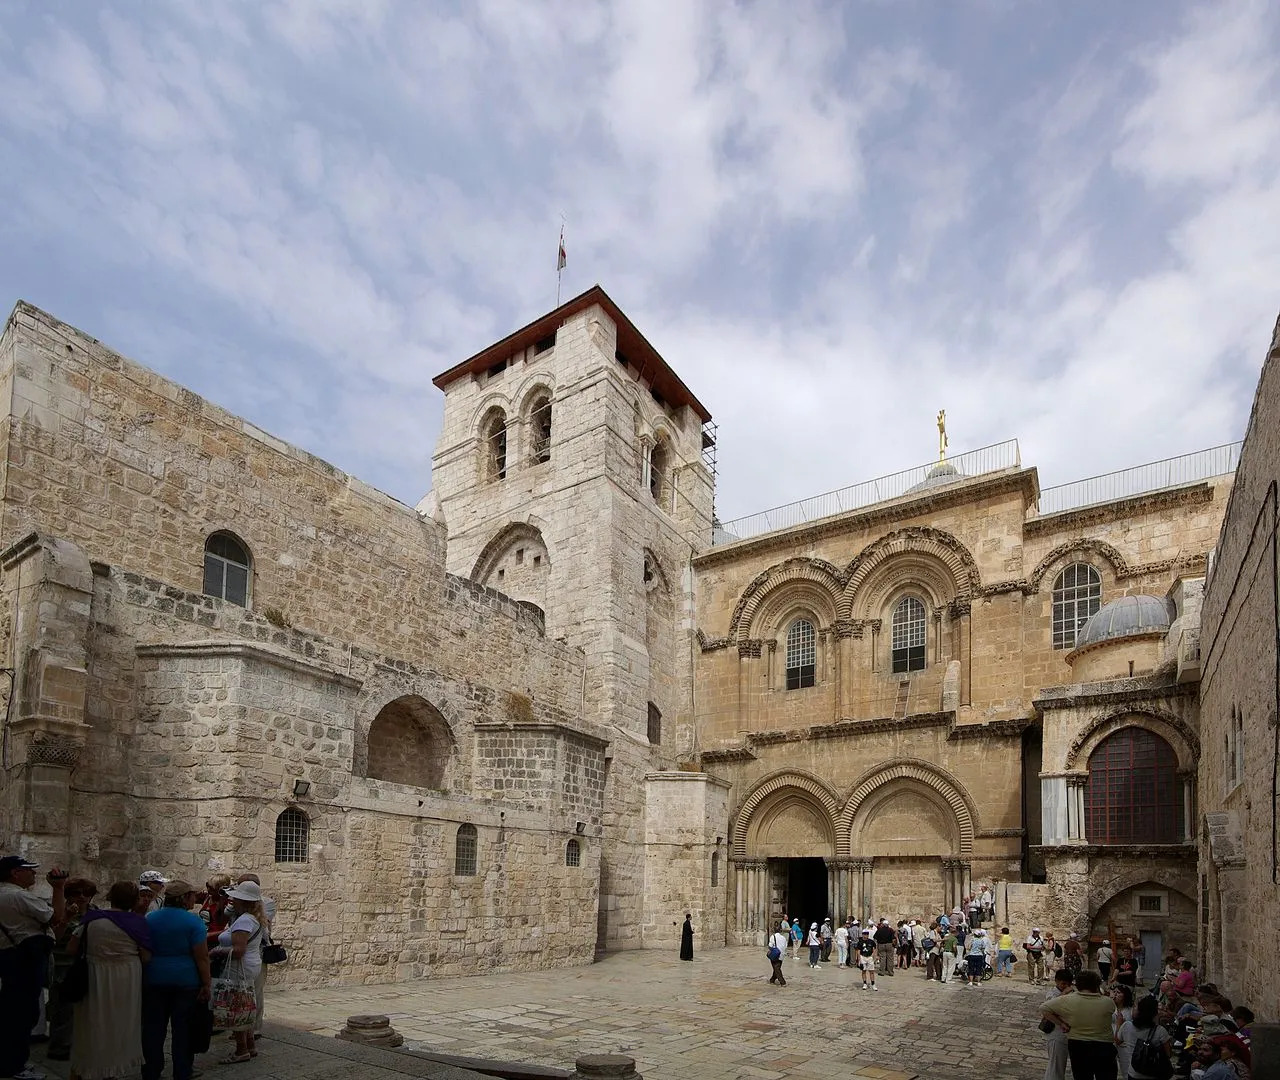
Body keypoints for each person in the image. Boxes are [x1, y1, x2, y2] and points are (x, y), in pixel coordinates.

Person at [69, 881, 152, 1080]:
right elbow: (147, 957)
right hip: (125, 977)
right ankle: (110, 1070)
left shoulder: (92, 918)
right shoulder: (137, 922)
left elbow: (71, 948)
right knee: (119, 1023)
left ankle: (82, 1069)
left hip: (94, 974)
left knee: (91, 1022)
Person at [0, 855, 68, 1080]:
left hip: (9, 956)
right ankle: (13, 1067)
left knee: (12, 1011)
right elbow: (56, 917)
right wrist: (58, 888)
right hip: (24, 959)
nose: (33, 873)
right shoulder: (19, 896)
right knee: (23, 1013)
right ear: (15, 873)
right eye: (28, 869)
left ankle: (13, 1061)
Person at [142, 881, 211, 1080]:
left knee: (154, 1029)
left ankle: (152, 1070)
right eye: (192, 895)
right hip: (185, 981)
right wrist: (206, 984)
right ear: (183, 898)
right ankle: (182, 1070)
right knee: (183, 1030)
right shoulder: (193, 922)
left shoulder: (150, 918)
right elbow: (202, 956)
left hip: (154, 978)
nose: (194, 899)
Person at [211, 880, 266, 1063]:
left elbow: (238, 950)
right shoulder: (253, 918)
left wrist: (215, 951)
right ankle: (250, 1045)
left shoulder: (244, 920)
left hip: (239, 968)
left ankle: (241, 1050)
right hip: (250, 966)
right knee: (245, 1005)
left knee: (236, 1008)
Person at [47, 878, 98, 1063]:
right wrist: (66, 919)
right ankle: (59, 1047)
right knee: (63, 1009)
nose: (82, 897)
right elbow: (54, 938)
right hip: (64, 966)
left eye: (87, 893)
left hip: (88, 966)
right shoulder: (59, 911)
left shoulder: (96, 912)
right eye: (77, 893)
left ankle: (80, 1044)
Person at [1041, 969, 1118, 1080]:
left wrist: (1062, 1023)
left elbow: (1044, 1008)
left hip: (1078, 1045)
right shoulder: (1107, 1002)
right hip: (1102, 1045)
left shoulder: (1069, 999)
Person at [234, 874, 275, 1036]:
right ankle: (241, 1027)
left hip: (256, 951)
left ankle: (255, 1028)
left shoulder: (267, 903)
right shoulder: (236, 907)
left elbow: (264, 919)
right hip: (243, 954)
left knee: (256, 992)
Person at [1117, 993, 1171, 1080]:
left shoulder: (1126, 1026)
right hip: (1154, 1073)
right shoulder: (1161, 1031)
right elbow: (1168, 1054)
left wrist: (1119, 1024)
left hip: (1134, 1072)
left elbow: (1118, 1041)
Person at [1043, 968, 1074, 1080]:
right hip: (1056, 1034)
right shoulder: (1052, 993)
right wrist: (1063, 994)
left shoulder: (1072, 994)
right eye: (1063, 984)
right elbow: (1049, 1007)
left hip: (1068, 1034)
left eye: (1068, 984)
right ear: (1057, 981)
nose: (1065, 986)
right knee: (1055, 1066)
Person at [1110, 984, 1135, 1078]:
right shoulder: (1110, 1007)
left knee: (1126, 1069)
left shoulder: (1130, 1011)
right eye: (1114, 992)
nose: (1115, 994)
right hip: (1110, 1041)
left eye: (1118, 992)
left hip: (1123, 1044)